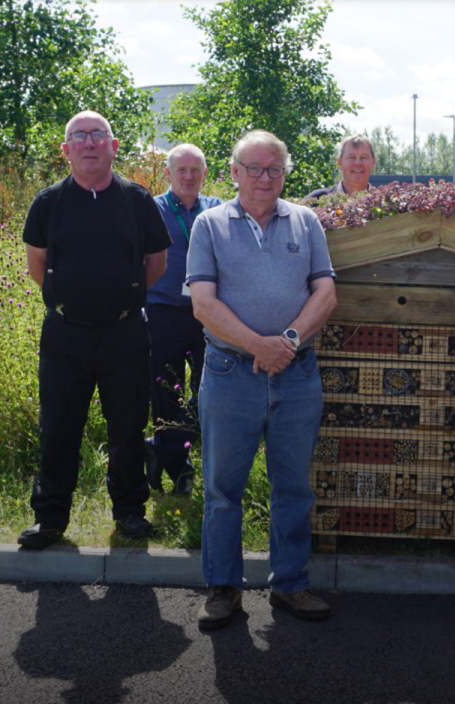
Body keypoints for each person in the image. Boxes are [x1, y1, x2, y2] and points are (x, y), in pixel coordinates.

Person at [187, 129, 337, 629]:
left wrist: (287, 341)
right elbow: (203, 304)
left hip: (296, 375)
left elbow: (326, 294)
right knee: (223, 489)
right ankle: (223, 589)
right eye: (254, 168)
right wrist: (260, 346)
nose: (265, 178)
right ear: (234, 173)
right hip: (231, 374)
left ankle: (290, 585)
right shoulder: (209, 225)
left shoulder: (307, 221)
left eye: (274, 169)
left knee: (293, 487)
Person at [19, 111, 171, 549]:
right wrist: (76, 299)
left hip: (125, 334)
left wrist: (122, 298)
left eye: (97, 135)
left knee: (127, 427)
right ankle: (49, 519)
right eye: (79, 137)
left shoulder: (137, 200)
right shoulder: (48, 203)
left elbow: (155, 264)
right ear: (66, 150)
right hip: (66, 335)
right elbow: (38, 265)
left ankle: (129, 513)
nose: (89, 143)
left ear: (114, 145)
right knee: (59, 427)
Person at [146, 144, 223, 496]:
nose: (189, 176)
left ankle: (162, 447)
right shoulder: (152, 209)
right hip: (164, 311)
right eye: (182, 170)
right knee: (165, 394)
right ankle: (181, 473)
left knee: (209, 392)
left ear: (204, 174)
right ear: (169, 174)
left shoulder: (218, 210)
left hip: (208, 314)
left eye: (196, 170)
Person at [304, 134, 377, 198]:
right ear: (340, 163)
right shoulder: (315, 201)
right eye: (351, 157)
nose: (358, 163)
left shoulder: (385, 204)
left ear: (373, 163)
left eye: (364, 157)